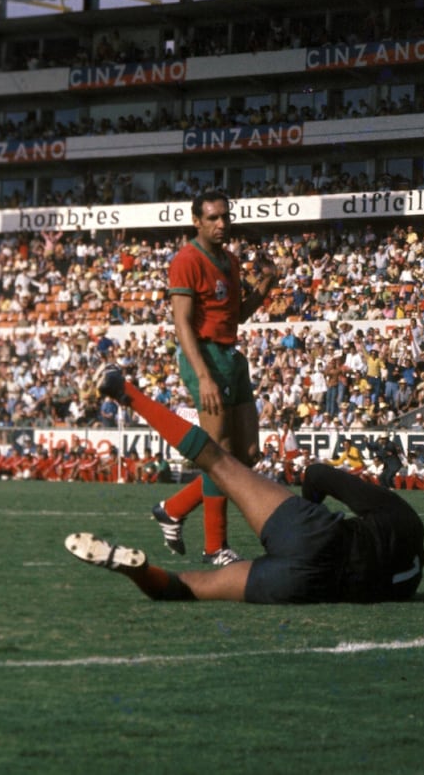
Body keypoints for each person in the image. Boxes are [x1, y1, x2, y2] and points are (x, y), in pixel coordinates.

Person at [71, 365, 424, 604]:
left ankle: (125, 391)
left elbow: (318, 474)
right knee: (192, 587)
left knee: (217, 459)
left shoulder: (407, 521)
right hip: (302, 585)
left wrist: (308, 512)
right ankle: (137, 568)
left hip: (314, 533)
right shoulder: (408, 586)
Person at [150, 189, 279, 565]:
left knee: (248, 455)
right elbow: (182, 324)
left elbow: (235, 314)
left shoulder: (231, 261)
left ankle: (173, 508)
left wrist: (265, 287)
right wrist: (203, 376)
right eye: (212, 218)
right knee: (219, 452)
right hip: (205, 356)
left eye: (225, 216)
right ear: (197, 221)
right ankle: (214, 547)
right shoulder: (187, 260)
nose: (221, 224)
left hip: (231, 356)